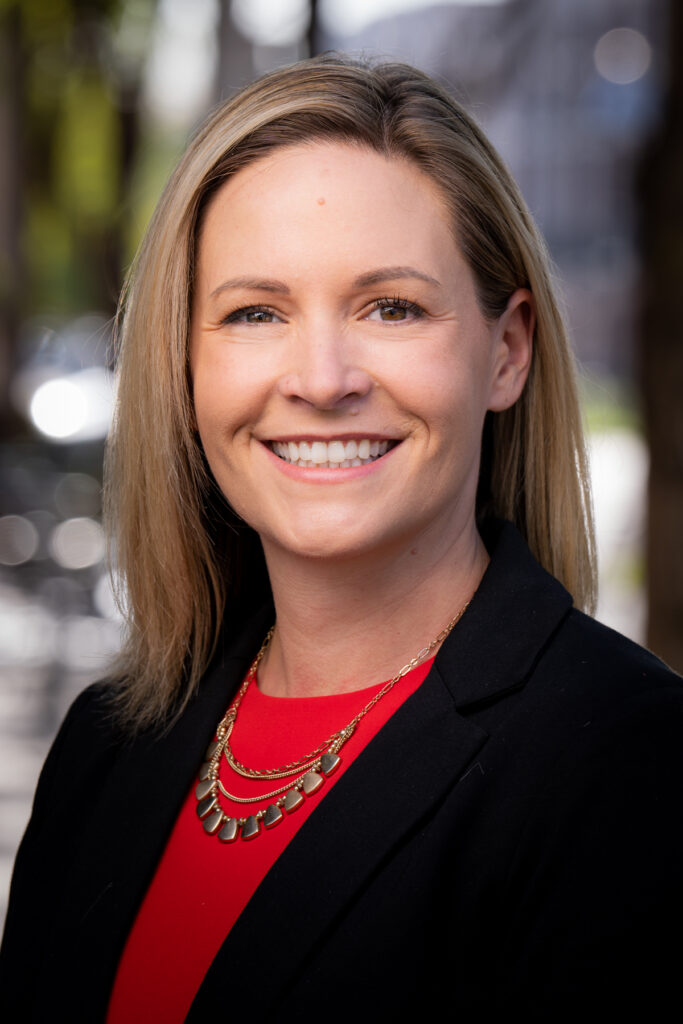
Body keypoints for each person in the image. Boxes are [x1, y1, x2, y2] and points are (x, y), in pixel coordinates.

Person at [1, 55, 681, 1023]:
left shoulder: (630, 769)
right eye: (253, 313)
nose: (321, 378)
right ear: (184, 364)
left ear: (507, 350)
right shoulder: (109, 743)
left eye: (390, 307)